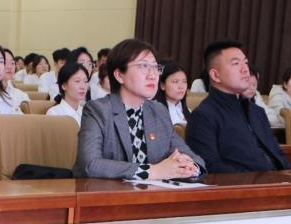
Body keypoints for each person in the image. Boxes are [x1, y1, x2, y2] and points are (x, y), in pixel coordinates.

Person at [74, 39, 204, 180]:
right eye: (143, 66)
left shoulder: (158, 111)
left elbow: (193, 157)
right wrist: (153, 171)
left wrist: (190, 167)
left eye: (155, 67)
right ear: (119, 75)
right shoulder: (98, 110)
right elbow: (90, 164)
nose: (153, 75)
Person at [185, 40, 291, 173]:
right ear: (215, 75)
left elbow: (277, 154)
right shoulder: (203, 116)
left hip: (278, 181)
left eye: (245, 62)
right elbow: (209, 167)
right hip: (244, 184)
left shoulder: (257, 112)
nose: (245, 69)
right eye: (235, 63)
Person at [46, 60, 89, 125]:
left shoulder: (87, 113)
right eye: (77, 81)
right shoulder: (54, 114)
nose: (83, 86)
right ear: (64, 85)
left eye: (85, 81)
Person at [156, 60, 190, 126]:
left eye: (184, 81)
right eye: (175, 81)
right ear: (162, 85)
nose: (181, 86)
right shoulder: (155, 111)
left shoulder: (189, 111)